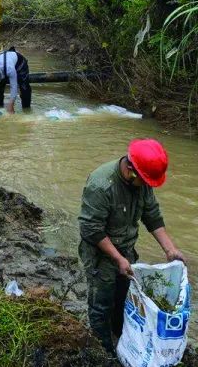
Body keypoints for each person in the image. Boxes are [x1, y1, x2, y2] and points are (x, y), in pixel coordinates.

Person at [77, 139, 185, 354]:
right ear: (130, 170)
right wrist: (117, 259)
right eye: (143, 181)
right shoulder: (101, 185)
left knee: (125, 299)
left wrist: (169, 249)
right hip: (100, 253)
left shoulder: (141, 182)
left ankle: (122, 340)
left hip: (126, 251)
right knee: (102, 304)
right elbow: (91, 229)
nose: (146, 186)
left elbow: (151, 215)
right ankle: (103, 351)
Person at [0, 47, 30, 112]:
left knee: (24, 88)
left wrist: (11, 105)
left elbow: (14, 87)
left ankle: (26, 110)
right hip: (4, 65)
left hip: (19, 64)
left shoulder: (10, 69)